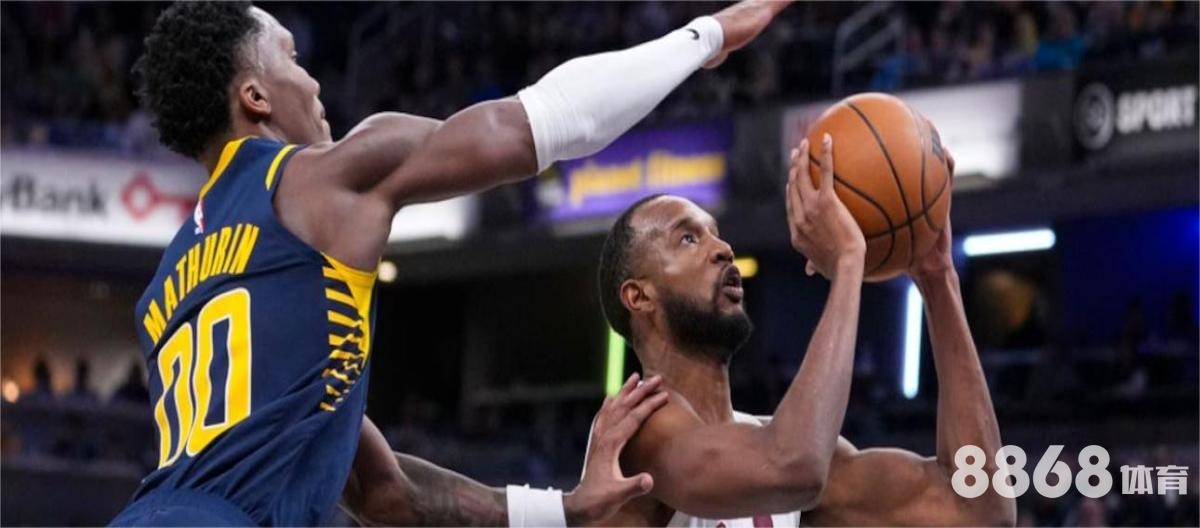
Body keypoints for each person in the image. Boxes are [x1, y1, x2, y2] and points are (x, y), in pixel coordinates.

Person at [112, 0, 789, 525]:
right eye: (291, 58)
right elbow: (549, 122)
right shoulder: (329, 177)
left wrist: (564, 510)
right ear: (255, 97)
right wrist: (707, 36)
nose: (313, 81)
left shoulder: (165, 290)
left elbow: (383, 492)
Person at [593, 137, 1016, 526]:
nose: (723, 250)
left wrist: (938, 279)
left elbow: (980, 510)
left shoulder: (773, 443)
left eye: (716, 236)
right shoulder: (634, 432)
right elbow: (793, 467)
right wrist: (848, 261)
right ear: (638, 296)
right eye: (688, 239)